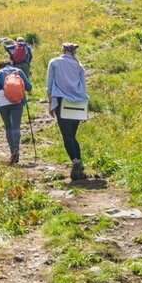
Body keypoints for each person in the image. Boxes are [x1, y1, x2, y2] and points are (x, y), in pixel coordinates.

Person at [46, 42, 87, 180]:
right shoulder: (79, 66)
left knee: (67, 136)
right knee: (73, 135)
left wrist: (50, 103)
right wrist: (84, 109)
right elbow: (83, 88)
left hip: (62, 102)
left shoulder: (54, 63)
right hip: (78, 102)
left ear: (63, 50)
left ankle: (75, 161)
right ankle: (79, 165)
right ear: (73, 52)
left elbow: (49, 86)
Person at [0, 59, 31, 164]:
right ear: (11, 64)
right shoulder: (19, 72)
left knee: (8, 127)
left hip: (3, 104)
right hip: (18, 102)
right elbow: (29, 87)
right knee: (16, 127)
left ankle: (12, 151)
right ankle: (16, 148)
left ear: (1, 66)